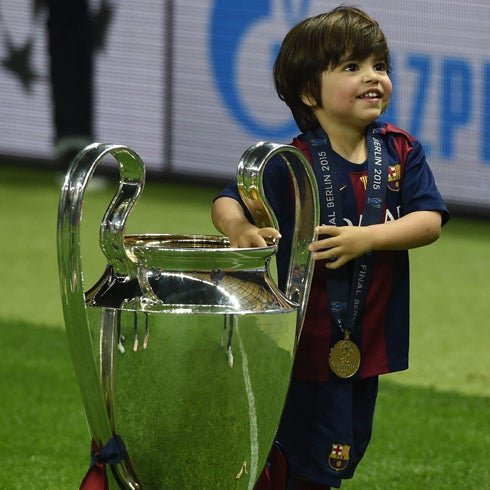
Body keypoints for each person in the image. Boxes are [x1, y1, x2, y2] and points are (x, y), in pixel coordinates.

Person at [211, 6, 449, 490]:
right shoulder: (292, 164)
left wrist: (369, 237)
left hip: (371, 339)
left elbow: (428, 221)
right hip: (302, 342)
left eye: (379, 65)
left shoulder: (402, 150)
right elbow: (229, 200)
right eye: (351, 67)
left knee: (347, 446)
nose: (373, 77)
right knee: (299, 451)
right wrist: (240, 229)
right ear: (307, 92)